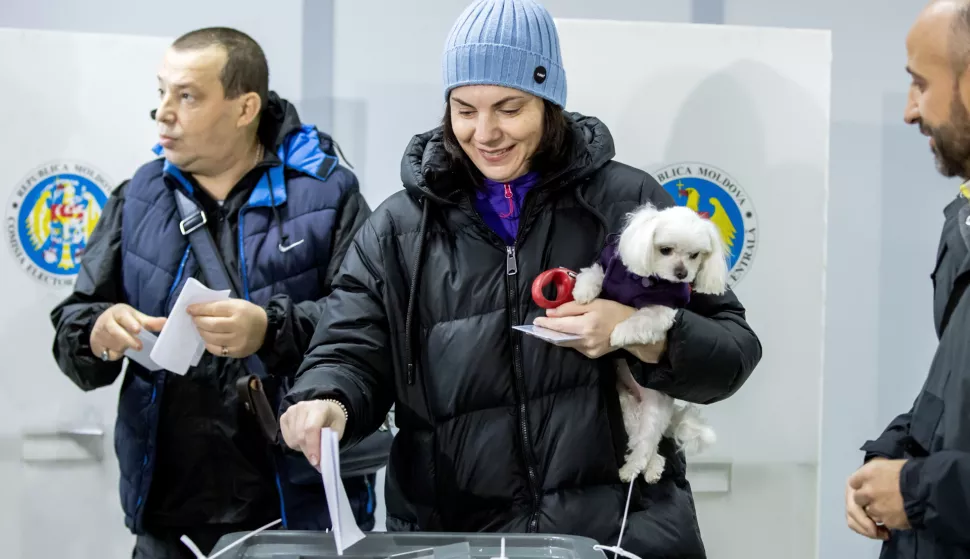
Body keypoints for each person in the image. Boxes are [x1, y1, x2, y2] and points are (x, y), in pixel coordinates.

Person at [278, 1, 761, 556]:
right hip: (455, 538)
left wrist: (643, 332)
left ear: (549, 102)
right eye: (464, 109)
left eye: (509, 107)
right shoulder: (399, 227)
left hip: (616, 535)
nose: (484, 133)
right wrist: (329, 400)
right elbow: (349, 347)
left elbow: (733, 350)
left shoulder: (628, 204)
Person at [50, 27, 389, 558]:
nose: (164, 112)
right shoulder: (139, 195)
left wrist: (270, 330)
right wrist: (95, 331)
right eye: (162, 92)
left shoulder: (327, 195)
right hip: (167, 520)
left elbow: (369, 327)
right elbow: (74, 320)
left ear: (244, 107)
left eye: (187, 96)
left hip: (294, 516)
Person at [846, 1, 970, 556]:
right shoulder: (962, 224)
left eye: (921, 83)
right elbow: (950, 402)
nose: (909, 111)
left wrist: (918, 491)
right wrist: (889, 457)